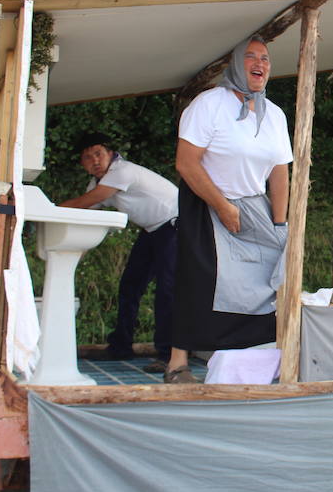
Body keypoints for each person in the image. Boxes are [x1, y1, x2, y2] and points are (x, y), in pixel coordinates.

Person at [170, 35, 292, 384]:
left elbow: (280, 172)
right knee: (202, 279)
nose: (259, 64)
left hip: (255, 205)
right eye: (251, 57)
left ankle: (250, 358)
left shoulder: (275, 115)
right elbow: (186, 163)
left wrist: (280, 223)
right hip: (206, 200)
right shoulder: (209, 104)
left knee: (267, 277)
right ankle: (177, 364)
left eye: (265, 58)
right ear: (236, 65)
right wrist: (221, 206)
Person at [60, 133, 180, 373]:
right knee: (130, 285)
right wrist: (72, 258)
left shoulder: (122, 171)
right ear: (82, 164)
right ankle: (121, 346)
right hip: (153, 230)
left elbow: (90, 200)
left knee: (167, 290)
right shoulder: (98, 184)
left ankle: (168, 355)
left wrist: (51, 209)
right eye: (87, 157)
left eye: (98, 154)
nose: (94, 160)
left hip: (176, 224)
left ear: (110, 154)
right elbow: (85, 217)